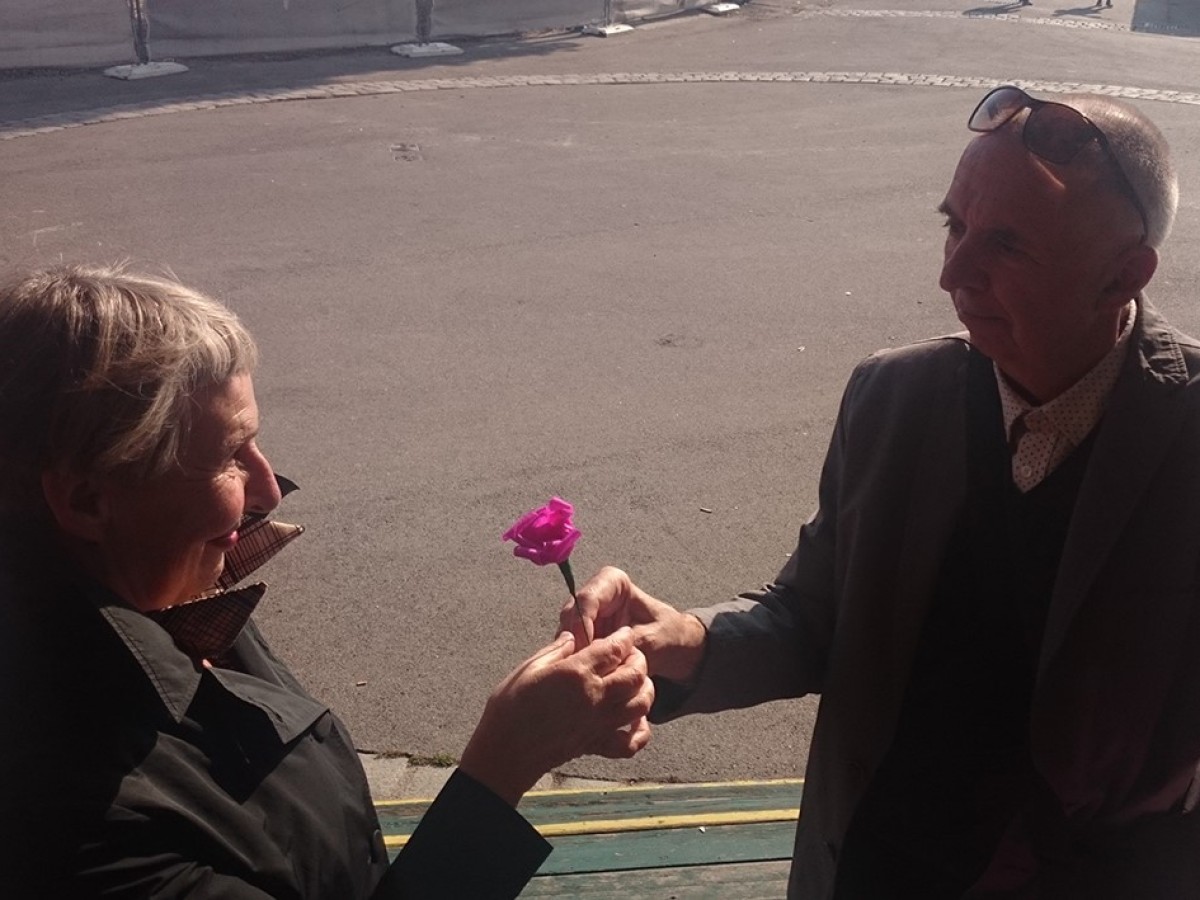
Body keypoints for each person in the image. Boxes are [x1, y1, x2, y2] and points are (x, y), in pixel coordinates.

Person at [566, 86, 1200, 898]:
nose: (952, 274)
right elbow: (815, 616)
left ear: (1123, 276)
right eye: (954, 225)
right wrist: (686, 638)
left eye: (1005, 245)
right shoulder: (896, 397)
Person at [0, 264, 655, 899]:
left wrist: (559, 722)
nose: (267, 490)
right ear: (87, 501)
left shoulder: (160, 588)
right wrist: (505, 763)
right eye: (229, 457)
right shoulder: (74, 817)